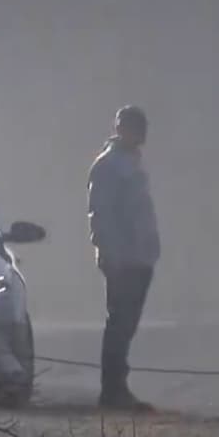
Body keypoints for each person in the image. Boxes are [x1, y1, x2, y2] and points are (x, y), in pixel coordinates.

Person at [87, 105, 161, 411]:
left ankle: (118, 385)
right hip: (122, 257)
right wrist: (109, 252)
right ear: (121, 129)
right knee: (119, 321)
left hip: (139, 256)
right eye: (134, 126)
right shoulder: (109, 165)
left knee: (127, 322)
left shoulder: (133, 164)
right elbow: (100, 213)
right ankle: (112, 389)